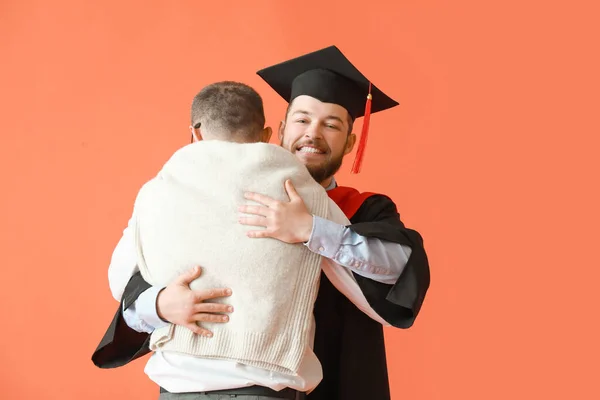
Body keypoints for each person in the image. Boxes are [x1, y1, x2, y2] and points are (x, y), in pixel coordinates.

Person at [92, 46, 430, 400]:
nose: (312, 134)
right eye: (301, 120)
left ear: (349, 143)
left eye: (330, 125)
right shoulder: (201, 198)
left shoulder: (361, 210)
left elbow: (401, 278)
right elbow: (136, 285)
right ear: (277, 131)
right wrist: (160, 305)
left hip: (335, 385)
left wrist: (312, 230)